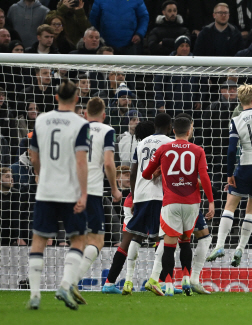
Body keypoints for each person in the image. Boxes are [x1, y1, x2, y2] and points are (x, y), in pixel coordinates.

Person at [26, 80, 90, 310]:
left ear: (56, 97)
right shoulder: (80, 124)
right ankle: (64, 284)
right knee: (78, 239)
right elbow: (81, 161)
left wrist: (38, 174)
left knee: (39, 240)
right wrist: (84, 193)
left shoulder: (40, 120)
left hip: (46, 190)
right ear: (76, 99)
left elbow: (33, 155)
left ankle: (34, 295)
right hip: (70, 191)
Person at [206, 84, 252, 267]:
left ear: (241, 101)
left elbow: (231, 150)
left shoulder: (236, 120)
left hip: (246, 165)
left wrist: (229, 174)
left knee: (230, 206)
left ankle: (220, 245)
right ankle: (240, 247)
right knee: (251, 209)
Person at [141, 116, 214, 296]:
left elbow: (146, 174)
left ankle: (169, 285)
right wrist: (211, 201)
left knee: (169, 244)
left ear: (173, 130)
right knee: (186, 241)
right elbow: (204, 177)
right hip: (192, 203)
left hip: (171, 201)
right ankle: (187, 278)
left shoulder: (164, 148)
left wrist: (157, 172)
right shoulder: (198, 150)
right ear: (190, 130)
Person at [102, 114, 173, 295]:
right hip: (158, 195)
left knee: (132, 236)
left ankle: (112, 282)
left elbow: (133, 171)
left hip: (139, 195)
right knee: (164, 238)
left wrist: (133, 195)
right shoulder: (169, 143)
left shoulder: (141, 144)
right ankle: (162, 282)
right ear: (169, 126)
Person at [70, 97, 122, 301]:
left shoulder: (76, 129)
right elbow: (109, 163)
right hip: (91, 190)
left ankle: (68, 281)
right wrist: (115, 189)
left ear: (84, 113)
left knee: (79, 240)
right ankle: (71, 282)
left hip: (71, 189)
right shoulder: (107, 130)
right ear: (104, 114)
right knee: (97, 240)